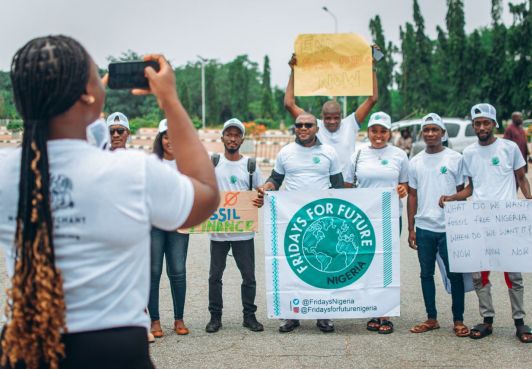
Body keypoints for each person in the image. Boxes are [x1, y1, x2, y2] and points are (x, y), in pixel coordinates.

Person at [0, 35, 219, 369]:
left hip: (25, 347)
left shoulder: (5, 173)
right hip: (112, 351)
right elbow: (205, 194)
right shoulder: (131, 171)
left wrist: (86, 101)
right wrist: (170, 99)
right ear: (89, 95)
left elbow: (83, 135)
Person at [440, 103, 532, 343]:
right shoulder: (468, 153)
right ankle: (486, 319)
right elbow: (470, 188)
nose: (482, 127)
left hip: (506, 220)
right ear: (473, 126)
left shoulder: (509, 148)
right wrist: (451, 198)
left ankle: (520, 322)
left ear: (494, 124)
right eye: (477, 123)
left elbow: (521, 177)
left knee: (513, 274)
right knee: (480, 275)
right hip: (479, 222)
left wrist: (530, 203)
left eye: (486, 123)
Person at [258, 112, 343, 333]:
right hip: (293, 220)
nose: (303, 128)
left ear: (317, 128)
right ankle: (290, 315)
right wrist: (267, 187)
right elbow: (275, 179)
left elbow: (339, 186)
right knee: (292, 266)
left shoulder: (329, 152)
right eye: (299, 125)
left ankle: (324, 314)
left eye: (308, 125)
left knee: (323, 268)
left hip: (322, 221)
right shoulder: (286, 153)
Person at [346, 111, 408, 334]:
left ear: (390, 133)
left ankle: (386, 313)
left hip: (390, 218)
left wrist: (403, 190)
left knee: (387, 265)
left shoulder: (399, 155)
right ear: (368, 132)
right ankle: (373, 310)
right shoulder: (358, 154)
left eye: (383, 131)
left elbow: (405, 185)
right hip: (363, 220)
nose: (378, 135)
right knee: (368, 264)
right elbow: (347, 185)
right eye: (374, 131)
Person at [407, 113, 468, 337]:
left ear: (443, 133)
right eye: (427, 130)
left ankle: (458, 320)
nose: (430, 134)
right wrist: (411, 228)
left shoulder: (455, 158)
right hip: (424, 227)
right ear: (422, 134)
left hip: (449, 227)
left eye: (435, 130)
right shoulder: (415, 161)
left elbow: (464, 191)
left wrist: (454, 200)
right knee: (425, 274)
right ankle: (431, 318)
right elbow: (412, 196)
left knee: (455, 275)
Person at [205, 118, 265, 334]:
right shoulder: (213, 162)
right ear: (222, 138)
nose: (232, 138)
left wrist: (261, 199)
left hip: (243, 232)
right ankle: (215, 317)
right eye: (228, 134)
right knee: (215, 277)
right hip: (219, 233)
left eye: (236, 134)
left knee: (248, 277)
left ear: (242, 139)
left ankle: (249, 316)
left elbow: (260, 192)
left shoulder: (250, 165)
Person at [283, 53, 378, 185]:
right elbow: (289, 104)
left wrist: (372, 67)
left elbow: (372, 99)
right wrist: (293, 71)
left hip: (346, 186)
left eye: (336, 118)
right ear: (321, 117)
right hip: (321, 186)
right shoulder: (312, 125)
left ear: (342, 116)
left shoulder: (351, 123)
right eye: (328, 118)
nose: (332, 121)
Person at [148, 119, 191, 338]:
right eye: (166, 136)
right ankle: (155, 321)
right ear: (160, 139)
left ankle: (179, 318)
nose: (170, 140)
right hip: (154, 225)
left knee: (178, 271)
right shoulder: (151, 163)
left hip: (179, 224)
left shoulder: (187, 163)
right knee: (153, 272)